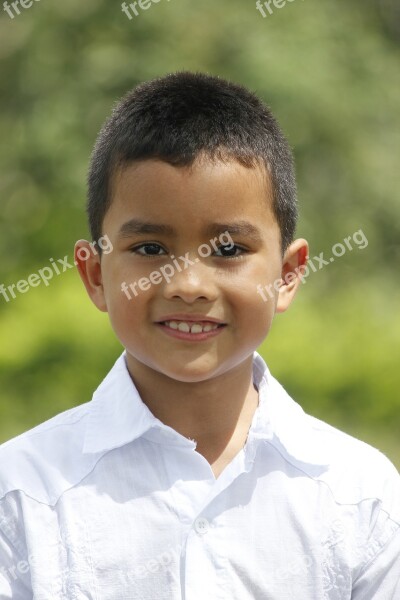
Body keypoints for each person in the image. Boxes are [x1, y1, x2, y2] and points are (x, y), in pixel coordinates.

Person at [0, 72, 399, 599]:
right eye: (149, 249)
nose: (188, 285)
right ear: (96, 275)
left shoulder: (361, 495)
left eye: (229, 250)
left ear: (287, 274)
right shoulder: (23, 495)